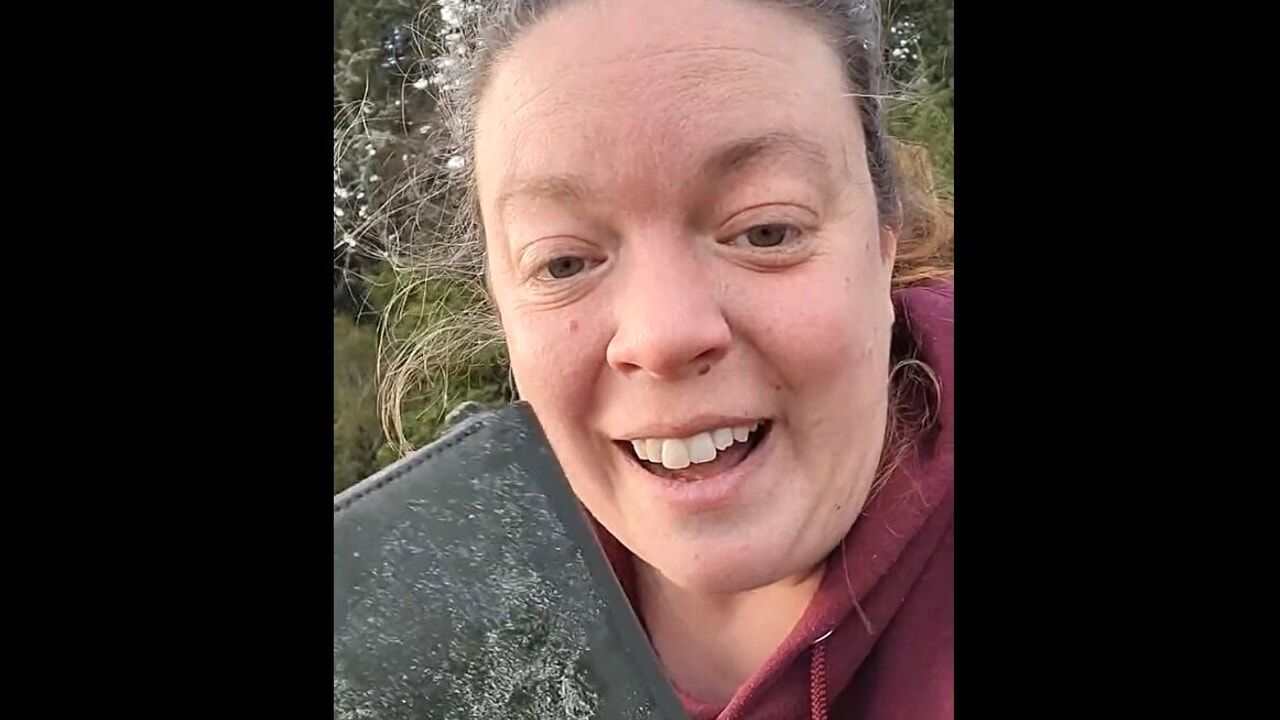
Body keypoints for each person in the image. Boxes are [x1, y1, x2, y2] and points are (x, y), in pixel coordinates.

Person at [375, 0, 953, 717]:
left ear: (883, 244)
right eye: (563, 264)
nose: (662, 337)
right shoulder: (421, 640)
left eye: (767, 230)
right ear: (500, 306)